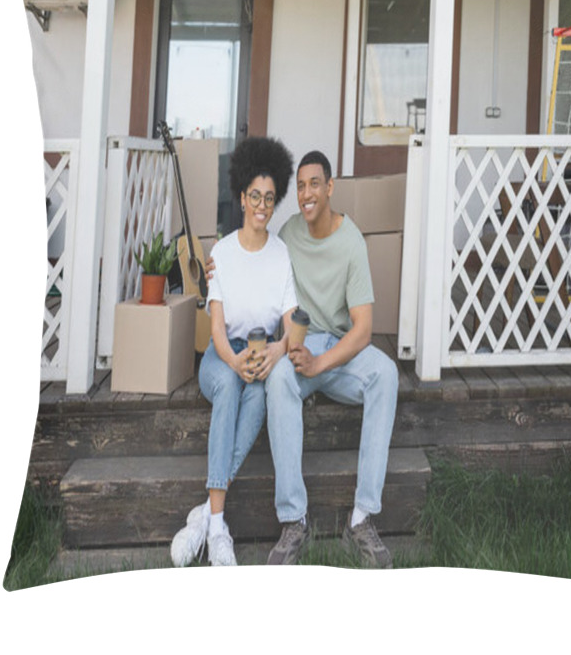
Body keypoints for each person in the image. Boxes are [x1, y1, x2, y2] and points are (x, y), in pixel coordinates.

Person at [264, 150, 399, 568]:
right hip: (299, 346)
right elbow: (255, 258)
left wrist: (322, 364)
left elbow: (363, 329)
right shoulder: (288, 234)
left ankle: (361, 519)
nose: (306, 193)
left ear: (330, 187)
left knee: (387, 374)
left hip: (338, 354)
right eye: (301, 186)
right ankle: (293, 521)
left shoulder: (351, 241)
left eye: (314, 184)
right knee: (278, 381)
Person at [170, 136, 297, 568]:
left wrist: (279, 350)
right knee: (228, 387)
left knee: (259, 396)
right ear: (242, 197)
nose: (262, 205)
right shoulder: (220, 253)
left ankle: (206, 518)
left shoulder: (281, 255)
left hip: (262, 351)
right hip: (220, 355)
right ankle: (220, 526)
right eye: (255, 196)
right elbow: (217, 328)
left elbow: (295, 320)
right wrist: (232, 359)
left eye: (270, 198)